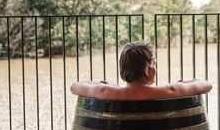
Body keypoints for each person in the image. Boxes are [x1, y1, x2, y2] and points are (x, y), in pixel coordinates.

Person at [70, 41, 212, 100]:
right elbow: (206, 85)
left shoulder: (105, 91)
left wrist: (106, 85)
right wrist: (181, 82)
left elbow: (75, 86)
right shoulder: (170, 90)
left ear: (122, 70)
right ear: (148, 70)